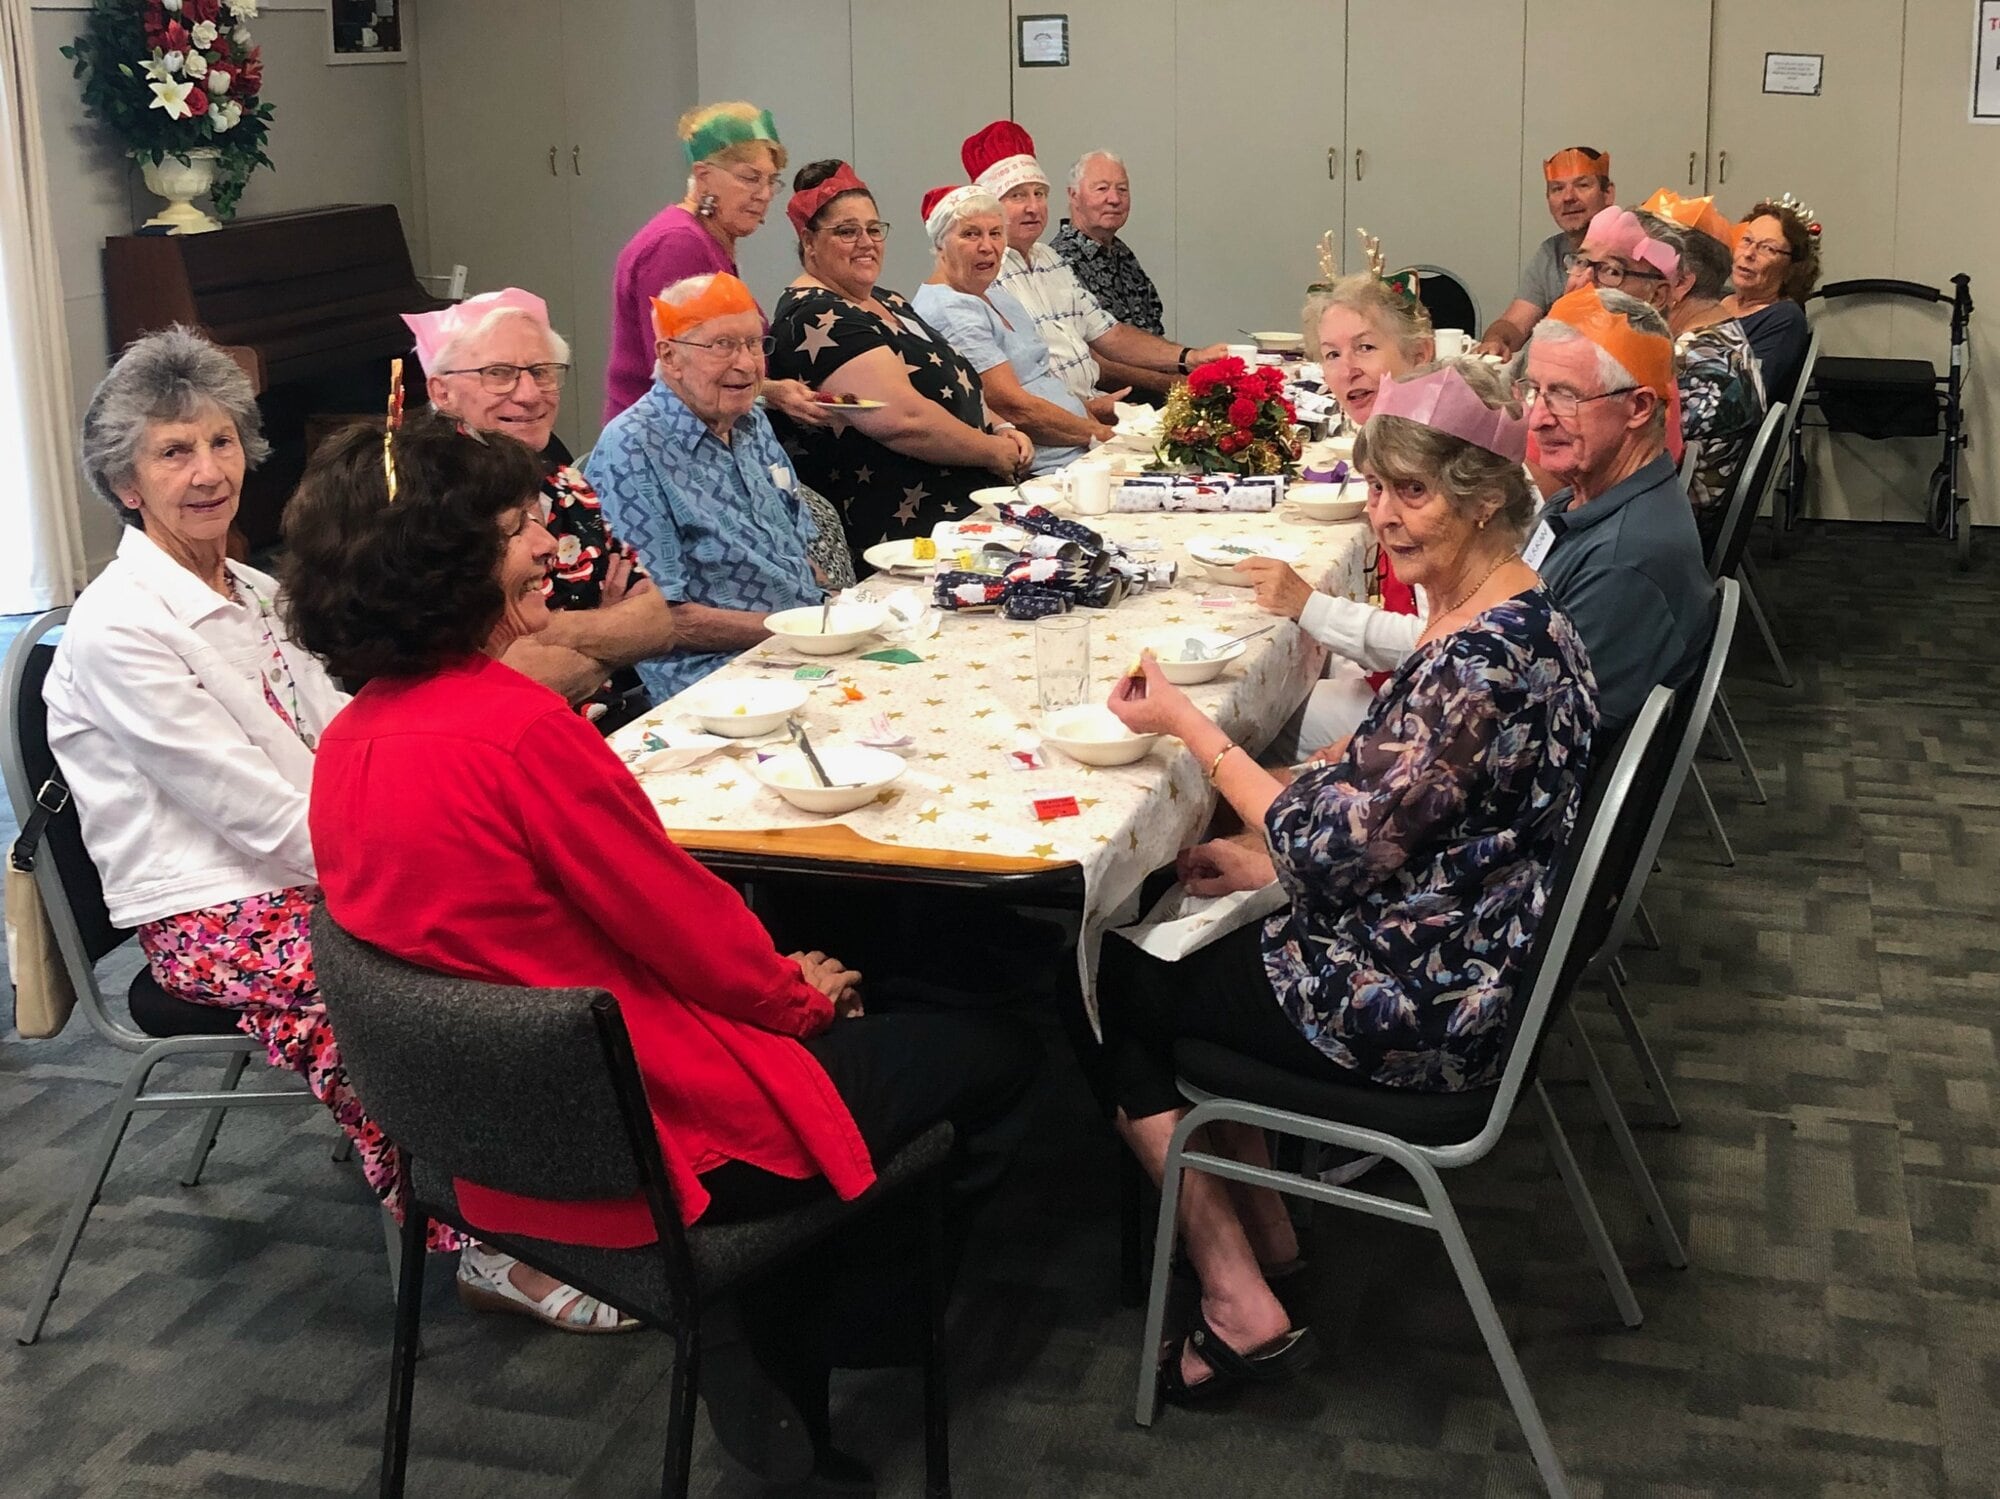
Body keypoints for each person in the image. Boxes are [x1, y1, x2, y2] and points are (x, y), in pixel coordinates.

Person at [286, 409, 1041, 1491]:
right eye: (516, 529)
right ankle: (821, 1343)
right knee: (993, 1045)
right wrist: (802, 1001)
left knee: (843, 978)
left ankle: (774, 1338)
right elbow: (687, 932)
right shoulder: (514, 727)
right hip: (651, 1141)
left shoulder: (349, 739)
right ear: (442, 559)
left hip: (490, 1147)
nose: (550, 546)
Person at [1097, 358, 1597, 1405]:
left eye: (1410, 491)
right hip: (1459, 943)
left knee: (1112, 981)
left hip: (1417, 1002)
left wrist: (1189, 728)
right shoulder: (1525, 617)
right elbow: (1388, 784)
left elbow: (1323, 848)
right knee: (1195, 912)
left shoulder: (1476, 662)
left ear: (1485, 498)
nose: (1383, 517)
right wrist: (1261, 851)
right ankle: (1273, 1230)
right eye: (1375, 489)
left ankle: (1239, 1298)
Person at [40, 326, 458, 1268]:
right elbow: (250, 813)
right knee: (397, 990)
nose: (207, 469)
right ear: (125, 483)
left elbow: (349, 731)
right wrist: (398, 862)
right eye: (173, 450)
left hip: (309, 867)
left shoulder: (256, 590)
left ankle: (546, 1192)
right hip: (208, 909)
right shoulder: (120, 628)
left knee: (489, 921)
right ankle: (482, 1241)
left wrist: (428, 819)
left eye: (220, 440)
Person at [408, 287, 677, 723]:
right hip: (502, 750)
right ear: (441, 392)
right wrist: (608, 635)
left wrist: (552, 632)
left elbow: (658, 624)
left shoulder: (567, 484)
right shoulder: (427, 508)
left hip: (614, 728)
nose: (530, 394)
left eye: (542, 371)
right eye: (499, 373)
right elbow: (507, 683)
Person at [764, 159, 1034, 558]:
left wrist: (1001, 427)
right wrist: (992, 452)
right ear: (809, 242)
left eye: (874, 229)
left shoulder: (887, 299)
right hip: (909, 537)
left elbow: (953, 377)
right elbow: (904, 421)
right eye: (846, 232)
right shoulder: (813, 315)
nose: (866, 242)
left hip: (968, 511)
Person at [584, 273, 825, 703]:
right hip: (718, 680)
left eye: (754, 344)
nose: (748, 365)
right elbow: (663, 619)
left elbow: (798, 549)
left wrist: (835, 614)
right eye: (723, 346)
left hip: (803, 645)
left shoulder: (752, 423)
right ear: (670, 356)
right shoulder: (634, 448)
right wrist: (800, 627)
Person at [1247, 271, 1437, 754]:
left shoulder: (1441, 466)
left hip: (1434, 706)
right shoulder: (1399, 441)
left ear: (1421, 355)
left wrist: (1310, 606)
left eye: (1366, 348)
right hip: (1417, 680)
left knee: (1256, 719)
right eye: (1331, 354)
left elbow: (1439, 637)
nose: (1346, 369)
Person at [1516, 287, 1713, 730]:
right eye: (1535, 391)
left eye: (1565, 396)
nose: (1538, 418)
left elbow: (1546, 730)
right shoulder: (1585, 496)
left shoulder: (1625, 562)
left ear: (1639, 406)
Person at [602, 101, 828, 433]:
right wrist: (774, 391)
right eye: (750, 178)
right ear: (703, 177)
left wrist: (774, 391)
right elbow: (685, 372)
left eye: (771, 181)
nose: (764, 194)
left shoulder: (708, 239)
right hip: (661, 445)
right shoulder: (678, 245)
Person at [963, 121, 1224, 400]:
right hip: (1057, 426)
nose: (1033, 207)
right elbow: (1009, 394)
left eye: (1039, 194)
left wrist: (1191, 358)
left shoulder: (1049, 260)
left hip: (1091, 407)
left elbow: (1111, 336)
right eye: (1017, 196)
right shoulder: (986, 272)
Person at [913, 184, 1114, 475]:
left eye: (995, 233)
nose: (987, 246)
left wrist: (1090, 408)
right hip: (1047, 471)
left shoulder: (997, 296)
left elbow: (1038, 381)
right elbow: (1012, 406)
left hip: (1081, 453)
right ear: (940, 243)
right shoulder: (949, 308)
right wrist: (1102, 435)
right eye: (970, 234)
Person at [1627, 197, 1769, 550]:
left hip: (1661, 539)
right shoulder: (1722, 334)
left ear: (1676, 285)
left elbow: (1620, 465)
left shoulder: (1692, 362)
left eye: (1627, 270)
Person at [1477, 146, 1617, 357]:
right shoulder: (1550, 252)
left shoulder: (1631, 252)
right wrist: (1496, 340)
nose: (1568, 197)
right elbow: (1514, 323)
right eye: (1557, 189)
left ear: (1608, 194)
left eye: (1582, 185)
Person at [1050, 149, 1164, 336]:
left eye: (1122, 190)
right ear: (1073, 195)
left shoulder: (1122, 253)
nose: (1115, 199)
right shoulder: (1059, 263)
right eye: (1102, 189)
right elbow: (1091, 354)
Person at [1722, 196, 1821, 403]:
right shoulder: (1714, 297)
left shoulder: (1785, 318)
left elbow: (1743, 397)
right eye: (1746, 240)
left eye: (1768, 248)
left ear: (1793, 267)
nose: (1749, 253)